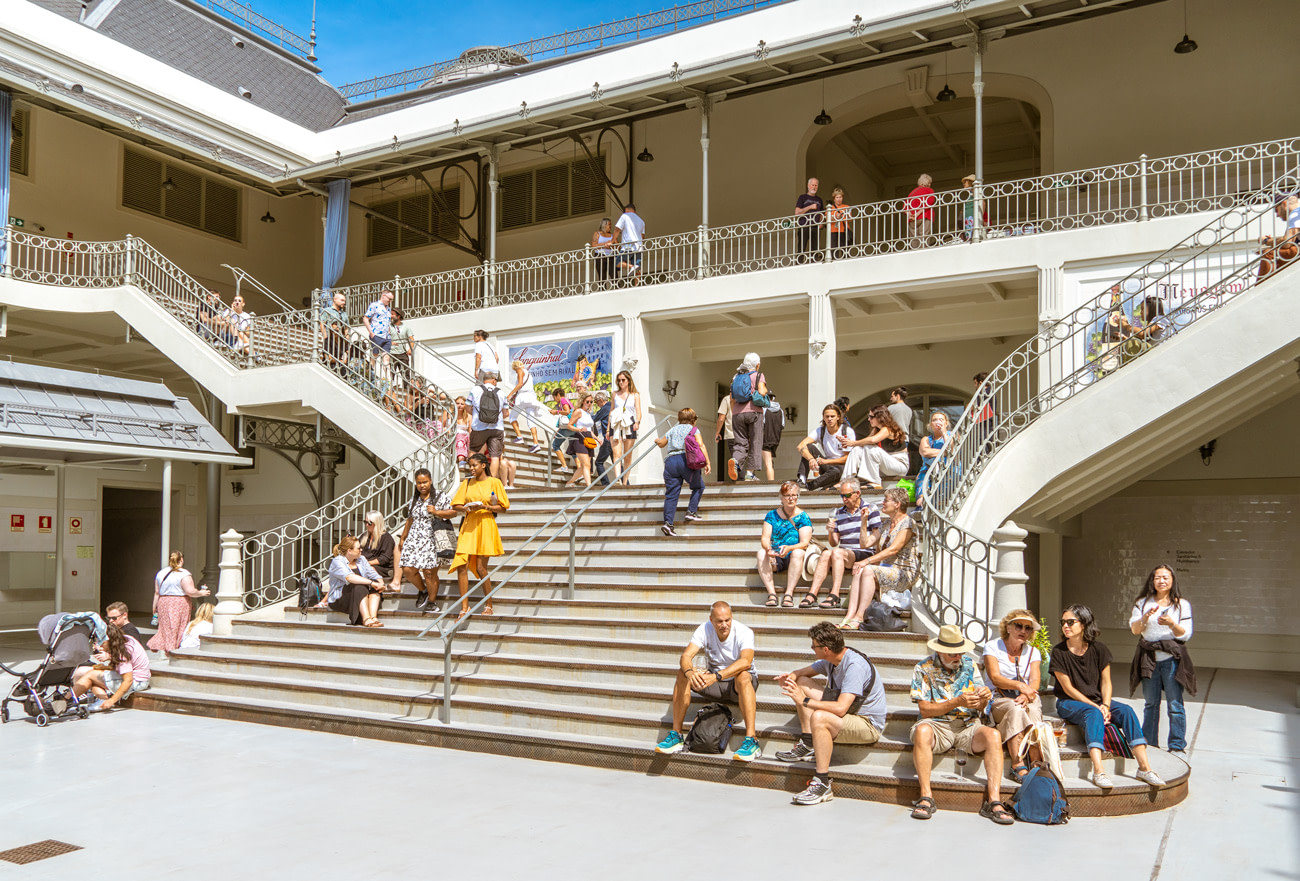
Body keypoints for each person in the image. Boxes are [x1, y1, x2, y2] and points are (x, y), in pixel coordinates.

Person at [1052, 604, 1166, 789]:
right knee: (1093, 713)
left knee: (1127, 711)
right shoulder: (1059, 652)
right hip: (1068, 702)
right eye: (1063, 622)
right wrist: (1098, 707)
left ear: (1084, 624)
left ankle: (1144, 768)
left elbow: (1106, 682)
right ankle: (1099, 771)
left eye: (1071, 622)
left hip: (1097, 701)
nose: (1065, 626)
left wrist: (1105, 704)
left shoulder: (1099, 649)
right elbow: (1068, 688)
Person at [909, 624, 1013, 824]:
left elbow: (983, 705)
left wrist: (985, 697)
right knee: (922, 731)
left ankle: (994, 801)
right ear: (940, 651)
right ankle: (926, 796)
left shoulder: (969, 665)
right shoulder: (923, 668)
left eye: (960, 652)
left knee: (993, 736)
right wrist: (956, 702)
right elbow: (925, 710)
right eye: (953, 654)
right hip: (937, 725)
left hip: (968, 724)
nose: (958, 657)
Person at [775, 621, 887, 806]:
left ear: (825, 649)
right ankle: (809, 742)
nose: (812, 649)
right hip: (848, 713)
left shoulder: (854, 667)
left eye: (814, 646)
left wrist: (804, 701)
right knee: (801, 682)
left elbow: (841, 708)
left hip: (866, 723)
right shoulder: (832, 659)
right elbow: (800, 673)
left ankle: (822, 782)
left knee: (819, 717)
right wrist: (789, 679)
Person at [654, 601, 762, 762]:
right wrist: (691, 673)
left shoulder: (744, 632)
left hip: (737, 686)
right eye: (720, 621)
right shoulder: (704, 629)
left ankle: (752, 740)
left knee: (744, 675)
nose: (724, 624)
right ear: (711, 620)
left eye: (728, 620)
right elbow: (685, 657)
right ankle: (676, 736)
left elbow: (746, 661)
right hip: (713, 683)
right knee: (682, 673)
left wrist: (717, 676)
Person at [1128, 565, 1195, 758]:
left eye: (1166, 577)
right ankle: (1149, 743)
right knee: (1151, 703)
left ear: (1172, 580)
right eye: (1158, 577)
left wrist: (1172, 624)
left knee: (1175, 704)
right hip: (1149, 658)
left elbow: (1186, 635)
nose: (1162, 581)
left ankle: (1177, 745)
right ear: (1152, 580)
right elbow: (1135, 630)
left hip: (1171, 659)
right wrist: (1145, 618)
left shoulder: (1181, 604)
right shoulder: (1142, 603)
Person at [841, 487, 918, 629]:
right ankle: (849, 615)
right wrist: (863, 521)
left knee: (867, 568)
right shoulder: (886, 524)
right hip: (885, 570)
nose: (883, 503)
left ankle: (859, 617)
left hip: (903, 572)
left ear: (897, 504)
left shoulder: (908, 523)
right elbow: (865, 543)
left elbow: (894, 549)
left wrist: (867, 560)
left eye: (886, 500)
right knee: (860, 569)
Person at [800, 478, 881, 611]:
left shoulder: (870, 509)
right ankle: (812, 594)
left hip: (864, 552)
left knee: (837, 552)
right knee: (826, 553)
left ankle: (835, 594)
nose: (844, 499)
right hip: (845, 554)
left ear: (858, 493)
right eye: (842, 495)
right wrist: (831, 531)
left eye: (847, 495)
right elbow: (834, 542)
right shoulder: (838, 513)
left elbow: (876, 535)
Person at [982, 609, 1046, 779]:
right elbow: (995, 677)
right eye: (1018, 626)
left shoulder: (1033, 652)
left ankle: (1035, 760)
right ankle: (1017, 762)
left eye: (1028, 628)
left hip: (1025, 696)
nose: (1023, 631)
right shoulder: (993, 647)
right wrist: (1019, 685)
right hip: (998, 696)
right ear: (1008, 627)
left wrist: (1026, 694)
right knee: (1016, 708)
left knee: (1032, 709)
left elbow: (1035, 681)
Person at [449, 453, 510, 618]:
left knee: (481, 568)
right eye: (470, 466)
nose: (471, 468)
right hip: (469, 524)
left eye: (474, 465)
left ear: (484, 465)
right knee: (462, 564)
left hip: (485, 524)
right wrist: (467, 508)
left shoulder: (494, 482)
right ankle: (464, 607)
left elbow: (504, 507)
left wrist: (486, 507)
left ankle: (488, 604)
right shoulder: (467, 482)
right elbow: (456, 505)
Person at [395, 468, 456, 612]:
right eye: (419, 483)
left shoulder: (440, 496)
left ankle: (432, 601)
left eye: (425, 482)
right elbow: (410, 519)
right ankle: (423, 591)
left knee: (430, 572)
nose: (422, 485)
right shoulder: (414, 499)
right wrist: (403, 538)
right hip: (415, 538)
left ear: (430, 481)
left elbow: (453, 512)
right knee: (408, 569)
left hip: (433, 537)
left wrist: (437, 512)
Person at [655, 407, 710, 537]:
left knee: (671, 494)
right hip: (686, 461)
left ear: (679, 419)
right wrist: (707, 462)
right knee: (698, 486)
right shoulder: (694, 429)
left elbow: (662, 443)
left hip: (670, 462)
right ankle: (691, 512)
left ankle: (668, 523)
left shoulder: (673, 429)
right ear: (693, 420)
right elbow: (701, 445)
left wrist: (657, 440)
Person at [757, 481, 813, 607]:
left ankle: (789, 594)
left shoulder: (803, 517)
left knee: (798, 552)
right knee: (761, 553)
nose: (791, 498)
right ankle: (772, 594)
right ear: (781, 498)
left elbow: (804, 543)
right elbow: (765, 538)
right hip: (776, 554)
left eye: (794, 495)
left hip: (794, 555)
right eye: (787, 495)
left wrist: (789, 548)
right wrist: (768, 549)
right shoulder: (772, 515)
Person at [72, 623, 151, 711]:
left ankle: (67, 700)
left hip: (137, 682)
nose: (100, 647)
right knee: (93, 678)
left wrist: (112, 700)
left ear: (109, 640)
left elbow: (128, 680)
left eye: (102, 643)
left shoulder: (122, 652)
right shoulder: (126, 639)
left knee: (90, 675)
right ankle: (102, 700)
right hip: (141, 679)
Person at [148, 551, 211, 652]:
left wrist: (154, 608)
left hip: (163, 601)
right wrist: (201, 593)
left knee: (165, 628)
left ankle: (160, 644)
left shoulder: (161, 573)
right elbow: (190, 591)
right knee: (177, 627)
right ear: (181, 560)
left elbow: (156, 592)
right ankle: (172, 649)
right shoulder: (184, 574)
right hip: (178, 602)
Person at [844, 404, 908, 490]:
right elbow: (865, 442)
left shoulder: (887, 429)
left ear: (879, 417)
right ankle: (846, 480)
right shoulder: (876, 429)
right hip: (887, 465)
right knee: (857, 450)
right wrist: (847, 442)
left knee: (870, 447)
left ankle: (875, 482)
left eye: (871, 417)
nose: (868, 419)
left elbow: (872, 440)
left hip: (899, 465)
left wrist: (852, 443)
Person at [326, 535, 386, 627]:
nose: (361, 550)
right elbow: (350, 578)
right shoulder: (337, 561)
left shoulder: (361, 559)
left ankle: (373, 617)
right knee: (359, 585)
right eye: (358, 548)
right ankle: (366, 618)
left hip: (358, 594)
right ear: (349, 551)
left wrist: (380, 583)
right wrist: (371, 583)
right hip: (341, 598)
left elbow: (373, 574)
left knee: (373, 586)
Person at [796, 403, 856, 490]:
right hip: (826, 466)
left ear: (838, 417)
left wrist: (826, 461)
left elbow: (847, 458)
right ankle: (802, 480)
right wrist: (811, 459)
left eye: (832, 416)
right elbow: (800, 446)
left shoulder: (847, 431)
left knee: (836, 470)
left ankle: (810, 486)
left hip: (842, 468)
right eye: (827, 416)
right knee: (808, 447)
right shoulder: (820, 430)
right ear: (823, 418)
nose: (829, 419)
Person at [727, 352, 767, 482]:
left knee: (740, 442)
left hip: (737, 413)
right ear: (757, 365)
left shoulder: (735, 377)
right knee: (756, 441)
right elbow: (761, 391)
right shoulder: (758, 375)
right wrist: (764, 391)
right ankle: (750, 473)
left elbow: (732, 399)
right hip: (754, 412)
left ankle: (735, 459)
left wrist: (735, 412)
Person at [505, 359, 548, 453]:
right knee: (531, 421)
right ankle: (536, 443)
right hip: (531, 398)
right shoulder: (528, 373)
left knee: (512, 417)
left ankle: (519, 437)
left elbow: (520, 384)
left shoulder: (520, 371)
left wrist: (510, 394)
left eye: (515, 370)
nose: (515, 371)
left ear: (516, 367)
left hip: (523, 398)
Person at [469, 370, 506, 479]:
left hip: (479, 427)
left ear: (484, 379)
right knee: (495, 456)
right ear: (494, 380)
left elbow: (467, 407)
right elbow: (506, 412)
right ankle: (492, 480)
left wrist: (478, 415)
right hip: (497, 428)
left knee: (473, 450)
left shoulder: (475, 390)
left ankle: (474, 475)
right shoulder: (501, 393)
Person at [608, 370, 642, 486]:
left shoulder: (635, 395)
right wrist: (608, 429)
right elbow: (611, 411)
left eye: (623, 380)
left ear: (628, 381)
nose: (621, 382)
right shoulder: (614, 394)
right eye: (619, 380)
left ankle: (625, 480)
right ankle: (617, 479)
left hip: (629, 423)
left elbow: (638, 410)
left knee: (627, 455)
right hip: (616, 423)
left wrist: (637, 422)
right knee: (616, 453)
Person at [915, 410, 951, 507]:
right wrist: (944, 452)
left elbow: (951, 450)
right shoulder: (926, 439)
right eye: (934, 420)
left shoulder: (952, 435)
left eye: (941, 420)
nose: (938, 422)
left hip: (947, 470)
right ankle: (920, 509)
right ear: (930, 424)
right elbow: (925, 452)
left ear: (946, 423)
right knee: (921, 493)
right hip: (927, 470)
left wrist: (944, 433)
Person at [563, 392, 597, 488]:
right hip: (579, 439)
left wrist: (597, 439)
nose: (589, 403)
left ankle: (569, 482)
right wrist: (579, 429)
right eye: (587, 401)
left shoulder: (588, 413)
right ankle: (589, 486)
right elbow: (569, 425)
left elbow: (589, 430)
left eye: (591, 402)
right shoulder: (578, 411)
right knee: (586, 464)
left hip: (589, 439)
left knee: (583, 467)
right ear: (582, 401)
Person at [359, 510, 396, 583]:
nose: (366, 525)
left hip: (382, 567)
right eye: (365, 522)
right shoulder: (364, 537)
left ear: (377, 523)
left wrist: (366, 563)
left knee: (368, 569)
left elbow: (384, 559)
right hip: (366, 564)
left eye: (369, 523)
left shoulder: (386, 538)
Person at [794, 177, 824, 262]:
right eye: (812, 185)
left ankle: (814, 263)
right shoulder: (802, 197)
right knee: (801, 248)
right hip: (804, 225)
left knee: (815, 248)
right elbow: (797, 212)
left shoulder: (819, 200)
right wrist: (810, 207)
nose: (814, 187)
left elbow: (822, 213)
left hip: (815, 226)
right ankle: (799, 264)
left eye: (816, 185)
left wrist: (821, 223)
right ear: (808, 186)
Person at [319, 290, 350, 373]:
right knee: (329, 359)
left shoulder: (344, 314)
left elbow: (346, 327)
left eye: (344, 301)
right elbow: (322, 323)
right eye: (342, 300)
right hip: (330, 339)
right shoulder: (327, 310)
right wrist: (325, 336)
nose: (344, 302)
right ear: (335, 299)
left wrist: (347, 338)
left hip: (340, 340)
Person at [614, 203, 646, 281]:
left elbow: (617, 230)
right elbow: (643, 237)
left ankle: (631, 267)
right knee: (638, 268)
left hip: (628, 246)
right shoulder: (641, 221)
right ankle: (637, 285)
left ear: (627, 210)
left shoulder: (625, 216)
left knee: (618, 262)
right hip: (638, 247)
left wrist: (612, 241)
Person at [905, 173, 936, 248]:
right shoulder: (929, 190)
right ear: (926, 183)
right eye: (929, 183)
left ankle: (914, 253)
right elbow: (929, 202)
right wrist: (918, 214)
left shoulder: (912, 192)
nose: (930, 184)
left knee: (914, 239)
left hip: (912, 219)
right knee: (924, 237)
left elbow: (905, 206)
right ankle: (924, 253)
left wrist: (910, 215)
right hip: (924, 216)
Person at [363, 288, 394, 358]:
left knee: (386, 357)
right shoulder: (374, 305)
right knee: (374, 356)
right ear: (383, 296)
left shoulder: (388, 308)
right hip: (377, 334)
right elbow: (365, 318)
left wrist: (389, 332)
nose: (390, 301)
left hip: (387, 336)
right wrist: (371, 333)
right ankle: (372, 368)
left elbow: (387, 321)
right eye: (389, 299)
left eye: (391, 299)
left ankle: (387, 369)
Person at [591, 390, 613, 487]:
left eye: (596, 402)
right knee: (616, 463)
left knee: (598, 462)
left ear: (600, 400)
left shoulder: (604, 408)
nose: (597, 404)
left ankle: (605, 484)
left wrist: (590, 410)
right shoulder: (612, 405)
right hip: (616, 439)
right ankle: (626, 483)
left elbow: (593, 419)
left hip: (608, 439)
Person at [760, 390, 783, 482]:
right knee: (770, 462)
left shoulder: (764, 409)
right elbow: (782, 425)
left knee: (768, 463)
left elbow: (762, 424)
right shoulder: (780, 411)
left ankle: (771, 483)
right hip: (776, 440)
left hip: (766, 439)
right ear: (773, 398)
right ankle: (771, 480)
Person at [389, 308, 414, 386]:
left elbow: (412, 339)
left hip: (402, 353)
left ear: (398, 316)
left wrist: (410, 349)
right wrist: (390, 342)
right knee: (391, 374)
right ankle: (391, 389)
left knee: (406, 374)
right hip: (391, 353)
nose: (391, 316)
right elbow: (383, 338)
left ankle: (406, 390)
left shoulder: (406, 328)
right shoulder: (388, 326)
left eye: (393, 314)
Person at [825, 186, 851, 259]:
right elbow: (827, 219)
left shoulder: (846, 207)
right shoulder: (830, 208)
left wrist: (844, 216)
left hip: (844, 230)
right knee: (834, 251)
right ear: (834, 198)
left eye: (840, 197)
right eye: (837, 197)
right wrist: (836, 217)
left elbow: (850, 219)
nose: (839, 199)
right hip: (834, 231)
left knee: (845, 250)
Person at [714, 393, 735, 484]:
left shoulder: (726, 399)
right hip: (744, 435)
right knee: (742, 458)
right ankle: (742, 480)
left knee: (735, 458)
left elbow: (721, 418)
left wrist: (717, 432)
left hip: (731, 435)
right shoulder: (746, 397)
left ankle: (736, 482)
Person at [960, 173, 988, 241]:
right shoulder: (971, 194)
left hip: (972, 219)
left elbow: (983, 203)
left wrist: (980, 217)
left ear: (970, 183)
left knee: (972, 238)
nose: (964, 184)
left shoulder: (975, 192)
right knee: (969, 238)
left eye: (966, 181)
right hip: (968, 219)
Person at [591, 217, 617, 282]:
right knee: (602, 276)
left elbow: (617, 246)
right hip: (600, 256)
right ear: (604, 225)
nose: (610, 226)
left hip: (611, 256)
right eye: (609, 224)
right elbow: (593, 245)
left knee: (614, 275)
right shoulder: (597, 234)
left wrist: (611, 246)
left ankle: (617, 287)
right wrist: (604, 244)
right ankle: (602, 290)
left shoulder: (612, 235)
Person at [453, 395, 471, 465]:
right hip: (452, 435)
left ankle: (467, 458)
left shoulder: (468, 416)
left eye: (462, 404)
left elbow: (470, 430)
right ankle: (461, 459)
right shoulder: (449, 413)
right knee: (459, 438)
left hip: (464, 437)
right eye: (457, 403)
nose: (459, 405)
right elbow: (441, 424)